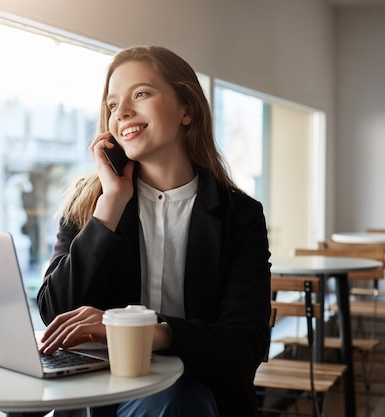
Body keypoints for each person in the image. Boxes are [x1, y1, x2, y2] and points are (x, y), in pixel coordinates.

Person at [37, 45, 272, 417]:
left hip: (195, 392)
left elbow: (246, 343)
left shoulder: (239, 216)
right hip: (99, 394)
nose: (123, 112)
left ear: (187, 110)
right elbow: (55, 312)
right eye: (113, 105)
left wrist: (146, 331)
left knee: (177, 403)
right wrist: (110, 205)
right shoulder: (90, 205)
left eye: (141, 94)